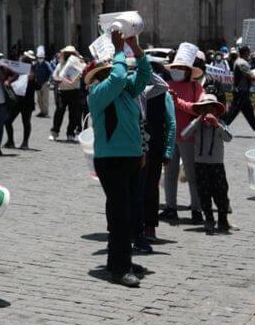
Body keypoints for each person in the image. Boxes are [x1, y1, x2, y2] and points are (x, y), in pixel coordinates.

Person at [87, 26, 151, 287]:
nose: (122, 75)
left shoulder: (126, 91)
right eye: (114, 70)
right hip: (111, 161)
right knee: (120, 214)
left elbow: (144, 76)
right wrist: (118, 51)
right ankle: (119, 268)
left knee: (128, 213)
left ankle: (119, 259)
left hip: (132, 158)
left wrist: (135, 49)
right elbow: (117, 77)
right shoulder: (98, 93)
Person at [162, 46, 204, 224]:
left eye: (180, 68)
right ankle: (171, 208)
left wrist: (177, 102)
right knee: (169, 175)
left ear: (188, 70)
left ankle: (196, 209)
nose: (177, 71)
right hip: (170, 137)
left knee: (192, 175)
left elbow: (198, 108)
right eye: (175, 68)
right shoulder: (166, 86)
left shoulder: (196, 87)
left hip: (189, 137)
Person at [183, 95, 235, 233]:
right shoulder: (197, 124)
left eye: (210, 108)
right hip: (200, 164)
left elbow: (228, 138)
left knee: (221, 193)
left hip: (216, 164)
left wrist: (216, 125)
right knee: (204, 193)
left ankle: (223, 220)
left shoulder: (221, 123)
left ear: (217, 110)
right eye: (203, 108)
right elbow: (184, 134)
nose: (207, 110)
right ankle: (209, 219)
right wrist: (198, 119)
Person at [141, 59, 176, 243]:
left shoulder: (163, 94)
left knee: (151, 187)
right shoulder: (135, 91)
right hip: (135, 147)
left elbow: (171, 123)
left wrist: (168, 151)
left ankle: (150, 227)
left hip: (155, 147)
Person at [223, 46, 255, 136]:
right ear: (245, 52)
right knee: (233, 111)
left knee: (248, 112)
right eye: (248, 52)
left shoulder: (240, 61)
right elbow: (250, 76)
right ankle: (221, 126)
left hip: (243, 91)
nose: (249, 54)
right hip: (241, 92)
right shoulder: (242, 63)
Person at [50, 45, 83, 142]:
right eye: (67, 53)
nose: (69, 55)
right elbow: (54, 76)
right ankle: (54, 132)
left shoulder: (77, 64)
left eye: (71, 53)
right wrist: (58, 79)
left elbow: (79, 76)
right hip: (62, 92)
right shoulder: (60, 65)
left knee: (73, 114)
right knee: (59, 112)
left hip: (74, 92)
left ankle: (70, 133)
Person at [5, 51, 36, 149]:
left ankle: (25, 143)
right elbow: (10, 81)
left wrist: (32, 79)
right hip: (17, 102)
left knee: (26, 123)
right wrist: (8, 81)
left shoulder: (31, 73)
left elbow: (38, 86)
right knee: (7, 120)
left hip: (27, 103)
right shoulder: (18, 73)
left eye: (20, 62)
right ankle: (10, 141)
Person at [33, 49, 54, 117]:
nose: (40, 59)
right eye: (39, 57)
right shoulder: (36, 64)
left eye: (41, 57)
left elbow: (51, 72)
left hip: (45, 83)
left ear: (43, 58)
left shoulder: (46, 64)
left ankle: (45, 112)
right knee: (39, 99)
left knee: (45, 99)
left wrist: (49, 81)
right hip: (38, 83)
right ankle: (41, 111)